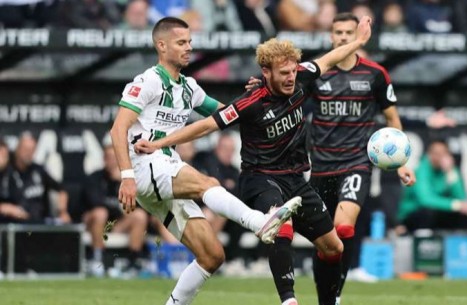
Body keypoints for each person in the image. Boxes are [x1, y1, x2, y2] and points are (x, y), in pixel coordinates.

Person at [135, 15, 373, 305]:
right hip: (261, 179)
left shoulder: (301, 77)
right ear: (265, 72)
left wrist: (359, 42)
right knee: (279, 226)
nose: (290, 78)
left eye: (292, 71)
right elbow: (206, 125)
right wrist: (160, 143)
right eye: (283, 73)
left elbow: (329, 58)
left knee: (333, 247)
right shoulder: (250, 102)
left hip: (296, 179)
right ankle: (288, 301)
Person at [110, 17, 300, 305]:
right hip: (145, 164)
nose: (189, 48)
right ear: (161, 46)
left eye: (189, 42)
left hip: (164, 170)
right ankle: (259, 223)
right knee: (206, 183)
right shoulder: (148, 81)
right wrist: (126, 176)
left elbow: (228, 114)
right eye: (181, 43)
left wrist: (262, 93)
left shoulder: (189, 87)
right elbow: (118, 128)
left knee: (212, 256)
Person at [306, 12, 415, 301]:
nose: (342, 37)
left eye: (348, 32)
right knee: (325, 241)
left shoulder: (375, 74)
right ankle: (327, 298)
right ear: (330, 36)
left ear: (357, 36)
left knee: (343, 227)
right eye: (338, 32)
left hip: (356, 162)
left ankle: (336, 294)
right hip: (321, 166)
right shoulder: (317, 73)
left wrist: (401, 162)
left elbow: (392, 118)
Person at [83, 144, 149, 277]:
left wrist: (120, 183)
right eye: (109, 157)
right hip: (95, 224)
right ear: (104, 159)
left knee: (140, 216)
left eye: (115, 158)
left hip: (116, 224)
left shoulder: (128, 180)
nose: (112, 161)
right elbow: (95, 203)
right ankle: (97, 259)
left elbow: (140, 206)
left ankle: (133, 262)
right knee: (100, 213)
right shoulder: (95, 178)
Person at [398, 139, 467, 232]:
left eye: (443, 153)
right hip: (414, 214)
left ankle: (458, 244)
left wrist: (450, 171)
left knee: (463, 214)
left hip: (438, 212)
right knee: (428, 213)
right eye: (436, 153)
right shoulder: (421, 170)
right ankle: (424, 243)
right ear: (429, 154)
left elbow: (461, 198)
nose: (439, 157)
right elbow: (425, 200)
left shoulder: (450, 170)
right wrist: (455, 205)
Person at [6, 132, 70, 224]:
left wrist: (62, 211)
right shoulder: (7, 172)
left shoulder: (38, 170)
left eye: (32, 150)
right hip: (16, 223)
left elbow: (61, 189)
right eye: (26, 149)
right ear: (18, 149)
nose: (28, 153)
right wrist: (9, 209)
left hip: (41, 223)